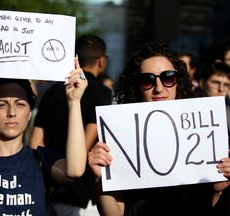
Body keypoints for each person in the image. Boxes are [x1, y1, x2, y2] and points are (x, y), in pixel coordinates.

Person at [88, 42, 230, 216]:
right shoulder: (119, 137)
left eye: (168, 77)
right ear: (136, 86)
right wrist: (101, 178)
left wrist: (218, 191)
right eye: (147, 80)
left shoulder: (203, 129)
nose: (159, 88)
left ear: (178, 81)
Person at [0, 45, 88, 214]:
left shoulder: (41, 161)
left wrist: (74, 102)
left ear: (29, 113)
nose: (11, 113)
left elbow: (75, 169)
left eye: (20, 105)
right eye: (2, 105)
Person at [30, 34, 112, 215]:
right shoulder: (102, 92)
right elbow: (88, 141)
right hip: (81, 193)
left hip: (49, 189)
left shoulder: (52, 91)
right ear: (101, 60)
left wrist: (46, 179)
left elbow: (36, 142)